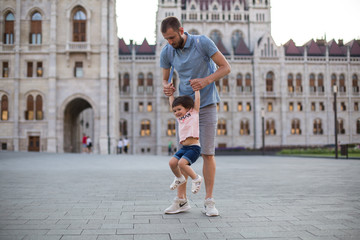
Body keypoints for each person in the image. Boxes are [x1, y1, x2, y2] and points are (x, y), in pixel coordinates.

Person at [160, 16, 231, 216]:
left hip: (206, 104)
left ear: (181, 30)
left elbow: (226, 67)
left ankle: (209, 201)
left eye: (172, 37)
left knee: (207, 153)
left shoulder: (202, 43)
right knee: (182, 153)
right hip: (184, 110)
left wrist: (205, 81)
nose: (170, 42)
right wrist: (167, 88)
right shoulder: (167, 51)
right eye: (166, 39)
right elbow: (164, 80)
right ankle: (182, 201)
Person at [165, 91, 203, 214]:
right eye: (174, 110)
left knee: (182, 164)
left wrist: (197, 91)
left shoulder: (193, 114)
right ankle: (179, 178)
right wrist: (170, 95)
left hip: (194, 148)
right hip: (184, 148)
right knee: (172, 163)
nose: (176, 112)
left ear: (187, 108)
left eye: (179, 109)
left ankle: (196, 178)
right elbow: (172, 104)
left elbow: (197, 102)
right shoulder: (179, 118)